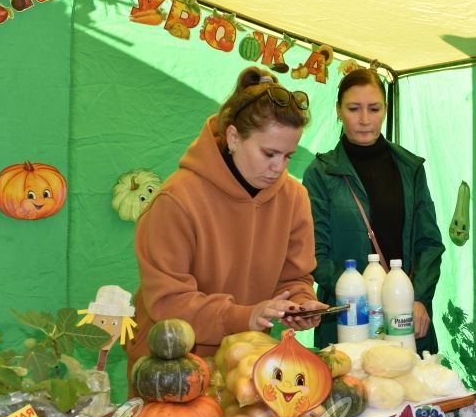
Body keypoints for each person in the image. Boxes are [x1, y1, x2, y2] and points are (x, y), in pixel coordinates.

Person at [127, 67, 326, 393]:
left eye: (289, 156)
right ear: (234, 138)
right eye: (269, 153)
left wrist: (301, 305)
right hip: (172, 372)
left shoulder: (294, 197)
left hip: (247, 369)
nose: (279, 168)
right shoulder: (176, 200)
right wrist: (244, 316)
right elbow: (168, 303)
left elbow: (294, 278)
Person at [302, 68, 444, 353]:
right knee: (349, 396)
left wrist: (417, 299)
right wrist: (361, 297)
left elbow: (429, 243)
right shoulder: (321, 174)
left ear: (386, 110)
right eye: (354, 109)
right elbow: (314, 253)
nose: (365, 120)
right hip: (347, 319)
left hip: (404, 318)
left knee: (409, 394)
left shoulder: (411, 168)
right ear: (339, 111)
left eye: (374, 108)